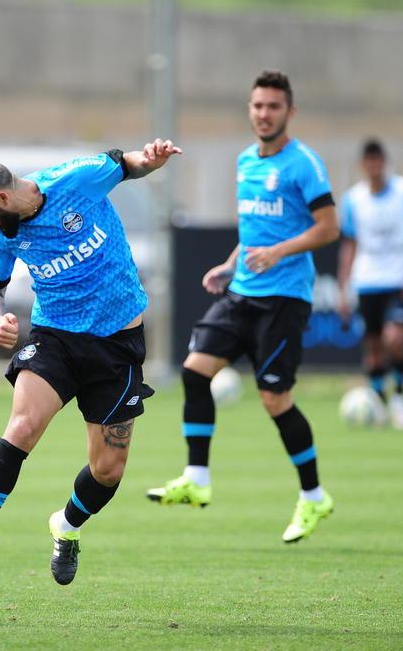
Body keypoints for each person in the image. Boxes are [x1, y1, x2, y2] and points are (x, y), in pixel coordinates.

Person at [0, 139, 182, 598]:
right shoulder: (3, 234)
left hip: (116, 343)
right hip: (56, 338)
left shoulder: (76, 180)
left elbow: (131, 164)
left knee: (108, 470)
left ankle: (66, 526)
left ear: (3, 199)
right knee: (23, 426)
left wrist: (152, 159)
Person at [146, 70, 340, 544]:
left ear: (289, 112)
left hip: (284, 300)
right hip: (243, 293)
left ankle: (314, 497)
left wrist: (280, 252)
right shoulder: (245, 162)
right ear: (249, 110)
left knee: (275, 400)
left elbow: (329, 228)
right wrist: (231, 264)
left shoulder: (304, 165)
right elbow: (254, 230)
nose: (264, 114)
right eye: (257, 106)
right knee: (194, 372)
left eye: (273, 106)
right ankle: (197, 478)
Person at [337, 139, 403, 429]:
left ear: (384, 162)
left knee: (395, 339)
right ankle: (379, 403)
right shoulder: (354, 199)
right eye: (369, 162)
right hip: (367, 281)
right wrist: (343, 287)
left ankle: (400, 397)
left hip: (398, 279)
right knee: (374, 346)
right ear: (363, 165)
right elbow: (349, 245)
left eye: (378, 161)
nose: (374, 167)